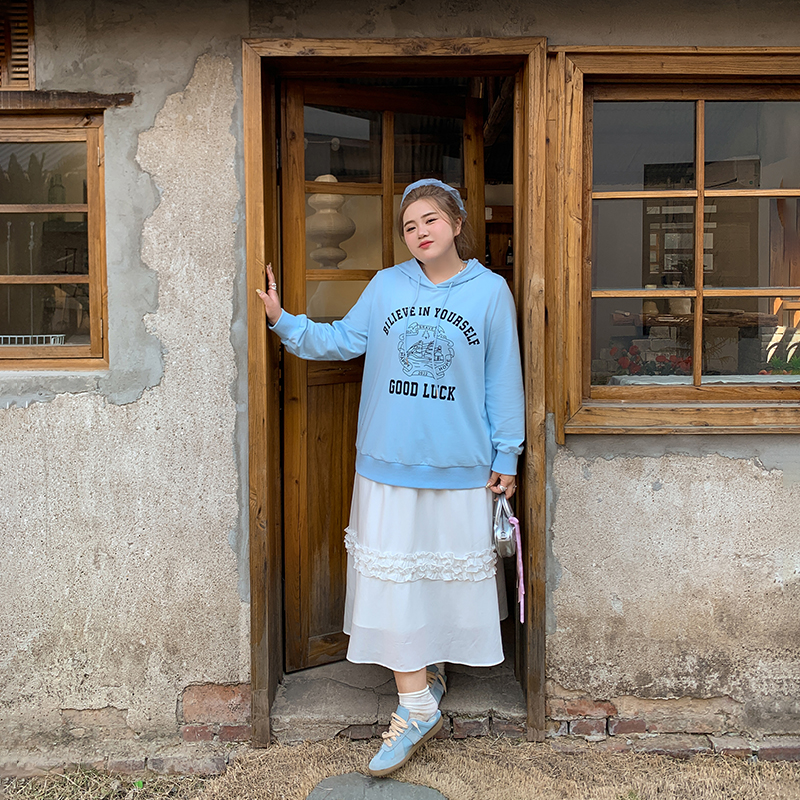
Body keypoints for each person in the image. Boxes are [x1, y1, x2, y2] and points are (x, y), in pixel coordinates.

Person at [257, 178, 524, 776]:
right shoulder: (385, 286)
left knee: (436, 578)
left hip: (460, 467)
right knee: (397, 580)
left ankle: (426, 678)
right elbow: (341, 341)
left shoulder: (490, 292)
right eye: (408, 226)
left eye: (430, 220)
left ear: (456, 224)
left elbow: (503, 377)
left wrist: (507, 455)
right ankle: (416, 703)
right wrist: (283, 321)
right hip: (386, 463)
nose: (420, 232)